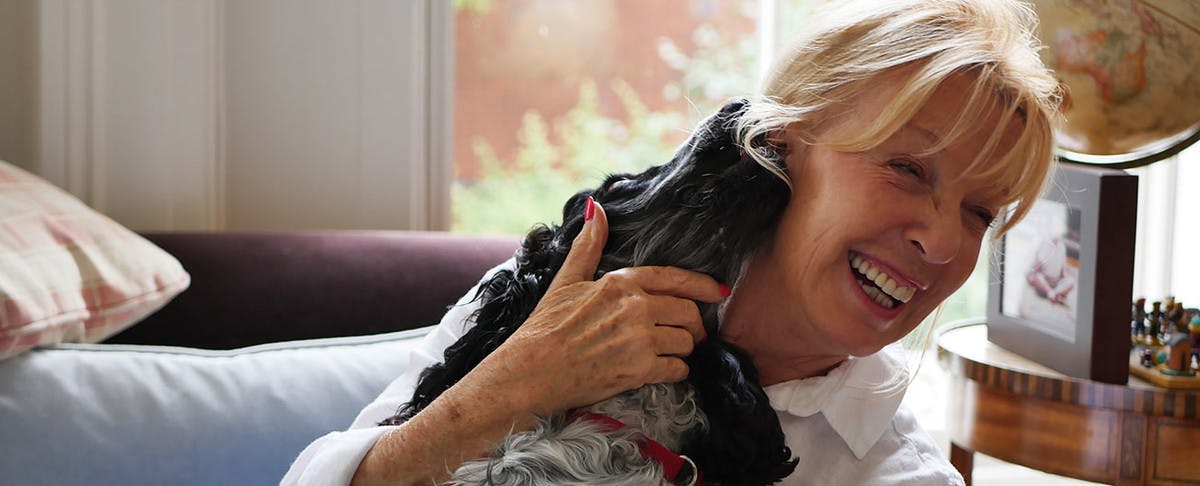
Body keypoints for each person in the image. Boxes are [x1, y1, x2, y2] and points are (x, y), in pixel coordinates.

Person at [283, 0, 1061, 484]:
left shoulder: (894, 474)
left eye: (980, 212)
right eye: (906, 167)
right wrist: (512, 386)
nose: (939, 239)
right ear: (788, 140)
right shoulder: (563, 293)